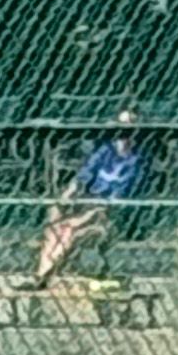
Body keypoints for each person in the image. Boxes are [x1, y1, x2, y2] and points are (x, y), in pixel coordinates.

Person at [35, 111, 150, 284]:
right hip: (89, 202)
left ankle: (44, 276)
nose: (124, 129)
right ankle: (42, 273)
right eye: (121, 123)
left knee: (70, 228)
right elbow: (84, 174)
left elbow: (123, 195)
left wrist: (94, 210)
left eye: (129, 123)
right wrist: (67, 194)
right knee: (57, 217)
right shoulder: (106, 150)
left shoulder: (138, 159)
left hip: (111, 212)